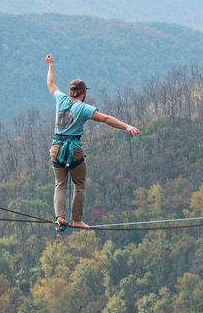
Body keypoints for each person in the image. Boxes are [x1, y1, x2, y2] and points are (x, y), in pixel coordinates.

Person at [46, 53, 139, 233]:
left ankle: (60, 217)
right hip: (73, 149)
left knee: (60, 184)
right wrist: (126, 126)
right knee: (79, 184)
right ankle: (77, 220)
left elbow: (51, 84)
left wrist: (50, 64)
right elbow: (106, 119)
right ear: (84, 93)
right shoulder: (83, 108)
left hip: (56, 148)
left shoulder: (61, 99)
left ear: (71, 91)